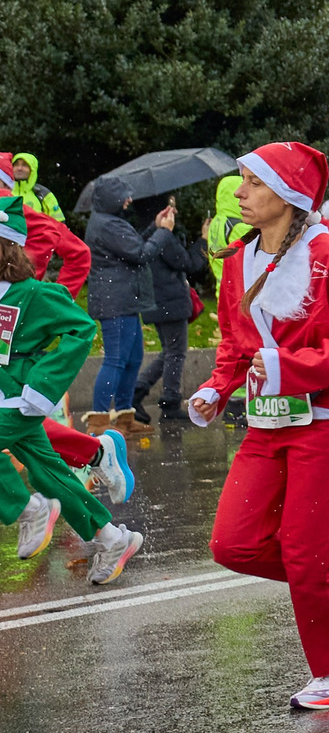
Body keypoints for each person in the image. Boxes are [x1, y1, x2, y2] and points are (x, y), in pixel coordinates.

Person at [186, 144, 329, 708]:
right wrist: (214, 389)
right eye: (242, 181)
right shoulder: (237, 260)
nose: (240, 192)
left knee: (300, 549)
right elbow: (234, 341)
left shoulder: (327, 256)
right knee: (233, 543)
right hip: (269, 421)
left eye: (253, 183)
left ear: (290, 196)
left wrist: (286, 366)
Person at [5, 194, 141, 585]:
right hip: (7, 394)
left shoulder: (32, 291)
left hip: (20, 394)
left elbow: (80, 326)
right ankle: (112, 537)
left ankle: (26, 508)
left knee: (38, 470)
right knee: (48, 472)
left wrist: (42, 383)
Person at [81, 174, 147, 433]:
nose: (129, 200)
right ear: (112, 199)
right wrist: (163, 232)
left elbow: (136, 246)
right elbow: (140, 253)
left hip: (122, 300)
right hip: (115, 302)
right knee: (117, 360)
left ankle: (124, 417)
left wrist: (156, 228)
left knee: (132, 359)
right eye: (123, 196)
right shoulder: (108, 225)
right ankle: (98, 420)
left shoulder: (109, 221)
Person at [131, 196, 205, 425]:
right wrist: (203, 239)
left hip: (156, 302)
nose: (174, 209)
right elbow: (190, 264)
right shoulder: (164, 238)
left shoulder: (143, 236)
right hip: (171, 303)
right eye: (170, 205)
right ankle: (170, 403)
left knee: (169, 351)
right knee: (176, 352)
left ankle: (137, 392)